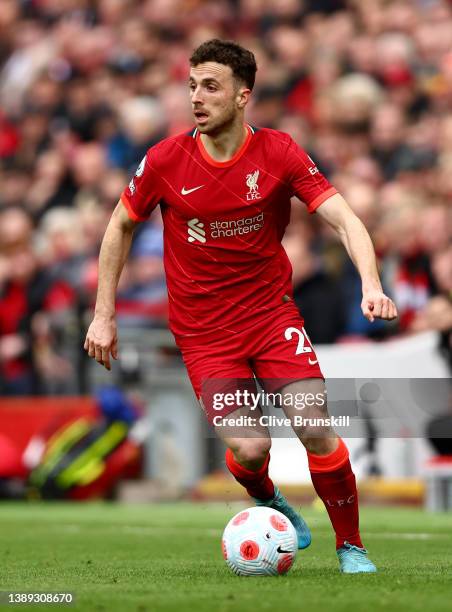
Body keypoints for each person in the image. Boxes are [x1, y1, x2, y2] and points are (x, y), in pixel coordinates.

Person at [84, 39, 397, 573]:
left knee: (313, 423)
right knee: (251, 449)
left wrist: (371, 282)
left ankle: (352, 546)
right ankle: (272, 500)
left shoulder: (279, 152)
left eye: (210, 86)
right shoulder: (165, 160)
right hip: (205, 333)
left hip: (271, 317)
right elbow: (120, 224)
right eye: (191, 86)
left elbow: (345, 218)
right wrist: (104, 313)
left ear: (243, 95)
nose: (196, 98)